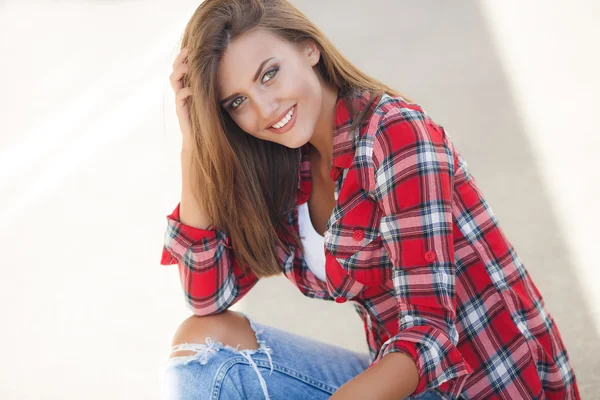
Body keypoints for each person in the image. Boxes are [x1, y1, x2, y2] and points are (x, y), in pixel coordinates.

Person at [158, 0, 580, 399]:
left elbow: (429, 332)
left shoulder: (395, 134)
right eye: (236, 102)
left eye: (269, 74)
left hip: (486, 385)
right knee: (202, 348)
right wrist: (194, 144)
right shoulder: (285, 168)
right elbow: (208, 300)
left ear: (309, 49)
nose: (265, 109)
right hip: (405, 383)